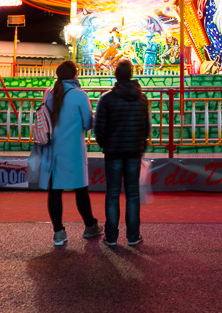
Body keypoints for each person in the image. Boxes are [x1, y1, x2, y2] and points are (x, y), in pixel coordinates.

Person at [37, 61, 102, 245]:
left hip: (52, 149)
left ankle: (58, 232)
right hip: (73, 150)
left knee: (55, 190)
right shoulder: (79, 95)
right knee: (80, 189)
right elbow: (88, 123)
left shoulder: (49, 93)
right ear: (75, 75)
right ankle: (90, 226)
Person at [93, 59, 150, 246]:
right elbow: (146, 126)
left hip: (113, 152)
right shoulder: (141, 98)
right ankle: (133, 236)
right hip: (134, 151)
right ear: (131, 74)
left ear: (115, 75)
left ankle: (111, 237)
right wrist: (141, 145)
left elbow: (99, 127)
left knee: (112, 194)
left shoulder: (106, 98)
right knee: (132, 194)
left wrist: (106, 144)